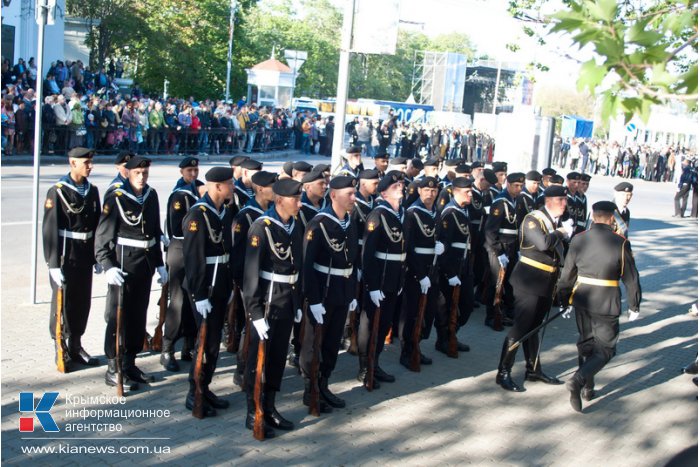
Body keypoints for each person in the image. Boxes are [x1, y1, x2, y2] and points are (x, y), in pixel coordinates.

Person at [557, 201, 641, 412]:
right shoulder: (620, 242)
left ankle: (587, 387)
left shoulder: (578, 239)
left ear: (593, 217)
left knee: (587, 343)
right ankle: (578, 380)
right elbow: (631, 277)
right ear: (612, 218)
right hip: (606, 300)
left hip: (582, 298)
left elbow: (567, 274)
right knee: (605, 349)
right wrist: (634, 304)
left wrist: (564, 300)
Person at [95, 156, 168, 392]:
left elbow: (154, 231)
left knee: (138, 316)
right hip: (123, 265)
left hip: (144, 265)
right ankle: (113, 367)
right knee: (118, 318)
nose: (142, 177)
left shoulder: (151, 194)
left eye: (145, 172)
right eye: (137, 172)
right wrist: (108, 266)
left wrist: (159, 263)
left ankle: (130, 363)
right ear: (128, 173)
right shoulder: (116, 197)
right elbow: (103, 235)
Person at [242, 178, 304, 439]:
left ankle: (269, 406)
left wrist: (298, 302)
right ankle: (252, 410)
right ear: (279, 200)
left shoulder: (295, 225)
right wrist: (255, 313)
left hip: (287, 300)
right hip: (267, 303)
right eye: (295, 199)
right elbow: (251, 275)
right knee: (259, 360)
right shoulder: (261, 228)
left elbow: (297, 267)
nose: (299, 204)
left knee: (278, 357)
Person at [496, 185, 573, 392]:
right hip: (528, 281)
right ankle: (503, 372)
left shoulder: (554, 221)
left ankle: (534, 369)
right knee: (521, 327)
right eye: (560, 201)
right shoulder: (533, 219)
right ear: (548, 201)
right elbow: (543, 243)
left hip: (546, 281)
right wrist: (561, 232)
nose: (564, 205)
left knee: (535, 327)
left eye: (565, 200)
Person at [300, 176, 359, 411]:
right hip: (323, 292)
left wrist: (352, 292)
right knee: (315, 343)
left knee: (333, 342)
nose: (354, 198)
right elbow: (307, 265)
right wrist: (313, 300)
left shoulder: (350, 222)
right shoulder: (319, 224)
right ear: (334, 195)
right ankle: (310, 389)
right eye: (349, 194)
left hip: (342, 291)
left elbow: (353, 261)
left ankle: (324, 384)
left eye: (354, 193)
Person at [182, 167, 236, 418]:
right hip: (204, 289)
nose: (232, 187)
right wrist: (199, 293)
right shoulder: (197, 214)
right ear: (217, 187)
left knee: (213, 343)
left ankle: (205, 386)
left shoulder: (223, 211)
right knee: (204, 342)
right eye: (229, 184)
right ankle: (194, 392)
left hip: (220, 285)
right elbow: (194, 258)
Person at [42, 147, 101, 372]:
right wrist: (53, 263)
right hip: (66, 255)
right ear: (72, 163)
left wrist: (96, 256)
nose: (90, 166)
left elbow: (96, 225)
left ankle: (76, 344)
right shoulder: (57, 191)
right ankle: (60, 346)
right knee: (62, 303)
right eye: (85, 162)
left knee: (81, 301)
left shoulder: (92, 190)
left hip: (84, 254)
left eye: (91, 162)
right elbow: (50, 230)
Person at [357, 171, 406, 389]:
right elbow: (368, 253)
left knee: (384, 324)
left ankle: (375, 363)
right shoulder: (378, 215)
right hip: (380, 279)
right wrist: (372, 285)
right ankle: (365, 367)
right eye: (396, 187)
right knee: (370, 324)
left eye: (402, 186)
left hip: (395, 279)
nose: (401, 189)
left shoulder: (400, 213)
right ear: (384, 192)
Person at [231, 170, 277, 387]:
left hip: (269, 279)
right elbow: (239, 255)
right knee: (250, 323)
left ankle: (258, 365)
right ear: (260, 189)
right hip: (250, 279)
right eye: (272, 187)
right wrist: (244, 283)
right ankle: (242, 368)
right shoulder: (247, 215)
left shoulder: (271, 212)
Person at [160, 157, 203, 371]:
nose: (193, 174)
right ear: (181, 172)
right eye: (189, 170)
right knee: (177, 301)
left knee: (194, 299)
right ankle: (167, 348)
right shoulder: (179, 195)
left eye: (195, 170)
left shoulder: (198, 189)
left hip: (195, 252)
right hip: (180, 250)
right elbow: (176, 228)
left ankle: (189, 344)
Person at [400, 176, 444, 370]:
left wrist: (439, 246)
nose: (430, 194)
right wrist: (419, 274)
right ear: (419, 191)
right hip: (416, 272)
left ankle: (417, 345)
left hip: (432, 270)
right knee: (412, 313)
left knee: (428, 312)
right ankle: (407, 352)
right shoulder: (411, 213)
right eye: (426, 190)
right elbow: (408, 247)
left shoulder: (436, 212)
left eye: (434, 191)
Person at [435, 177, 474, 354]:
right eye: (467, 191)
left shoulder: (463, 210)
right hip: (451, 268)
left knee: (466, 305)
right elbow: (443, 247)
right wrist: (450, 273)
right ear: (456, 192)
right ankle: (444, 339)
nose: (471, 194)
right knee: (446, 306)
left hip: (464, 267)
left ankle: (452, 333)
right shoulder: (449, 213)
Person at [483, 172, 525, 328]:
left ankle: (505, 311)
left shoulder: (516, 201)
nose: (519, 189)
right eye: (516, 186)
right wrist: (499, 252)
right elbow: (490, 230)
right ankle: (491, 315)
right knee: (496, 283)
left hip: (512, 246)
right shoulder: (501, 202)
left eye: (521, 186)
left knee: (509, 282)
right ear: (508, 184)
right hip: (500, 246)